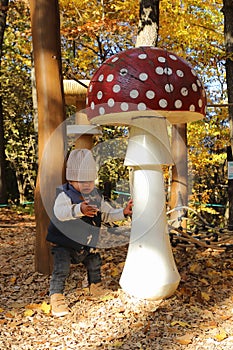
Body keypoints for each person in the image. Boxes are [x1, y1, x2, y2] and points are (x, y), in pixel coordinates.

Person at [46, 148, 133, 317]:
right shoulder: (65, 195)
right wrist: (79, 209)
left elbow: (106, 214)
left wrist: (123, 212)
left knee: (94, 262)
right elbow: (60, 213)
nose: (87, 185)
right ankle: (56, 297)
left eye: (90, 181)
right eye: (82, 181)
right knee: (61, 269)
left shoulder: (95, 196)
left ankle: (95, 286)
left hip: (86, 242)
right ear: (71, 180)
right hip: (65, 243)